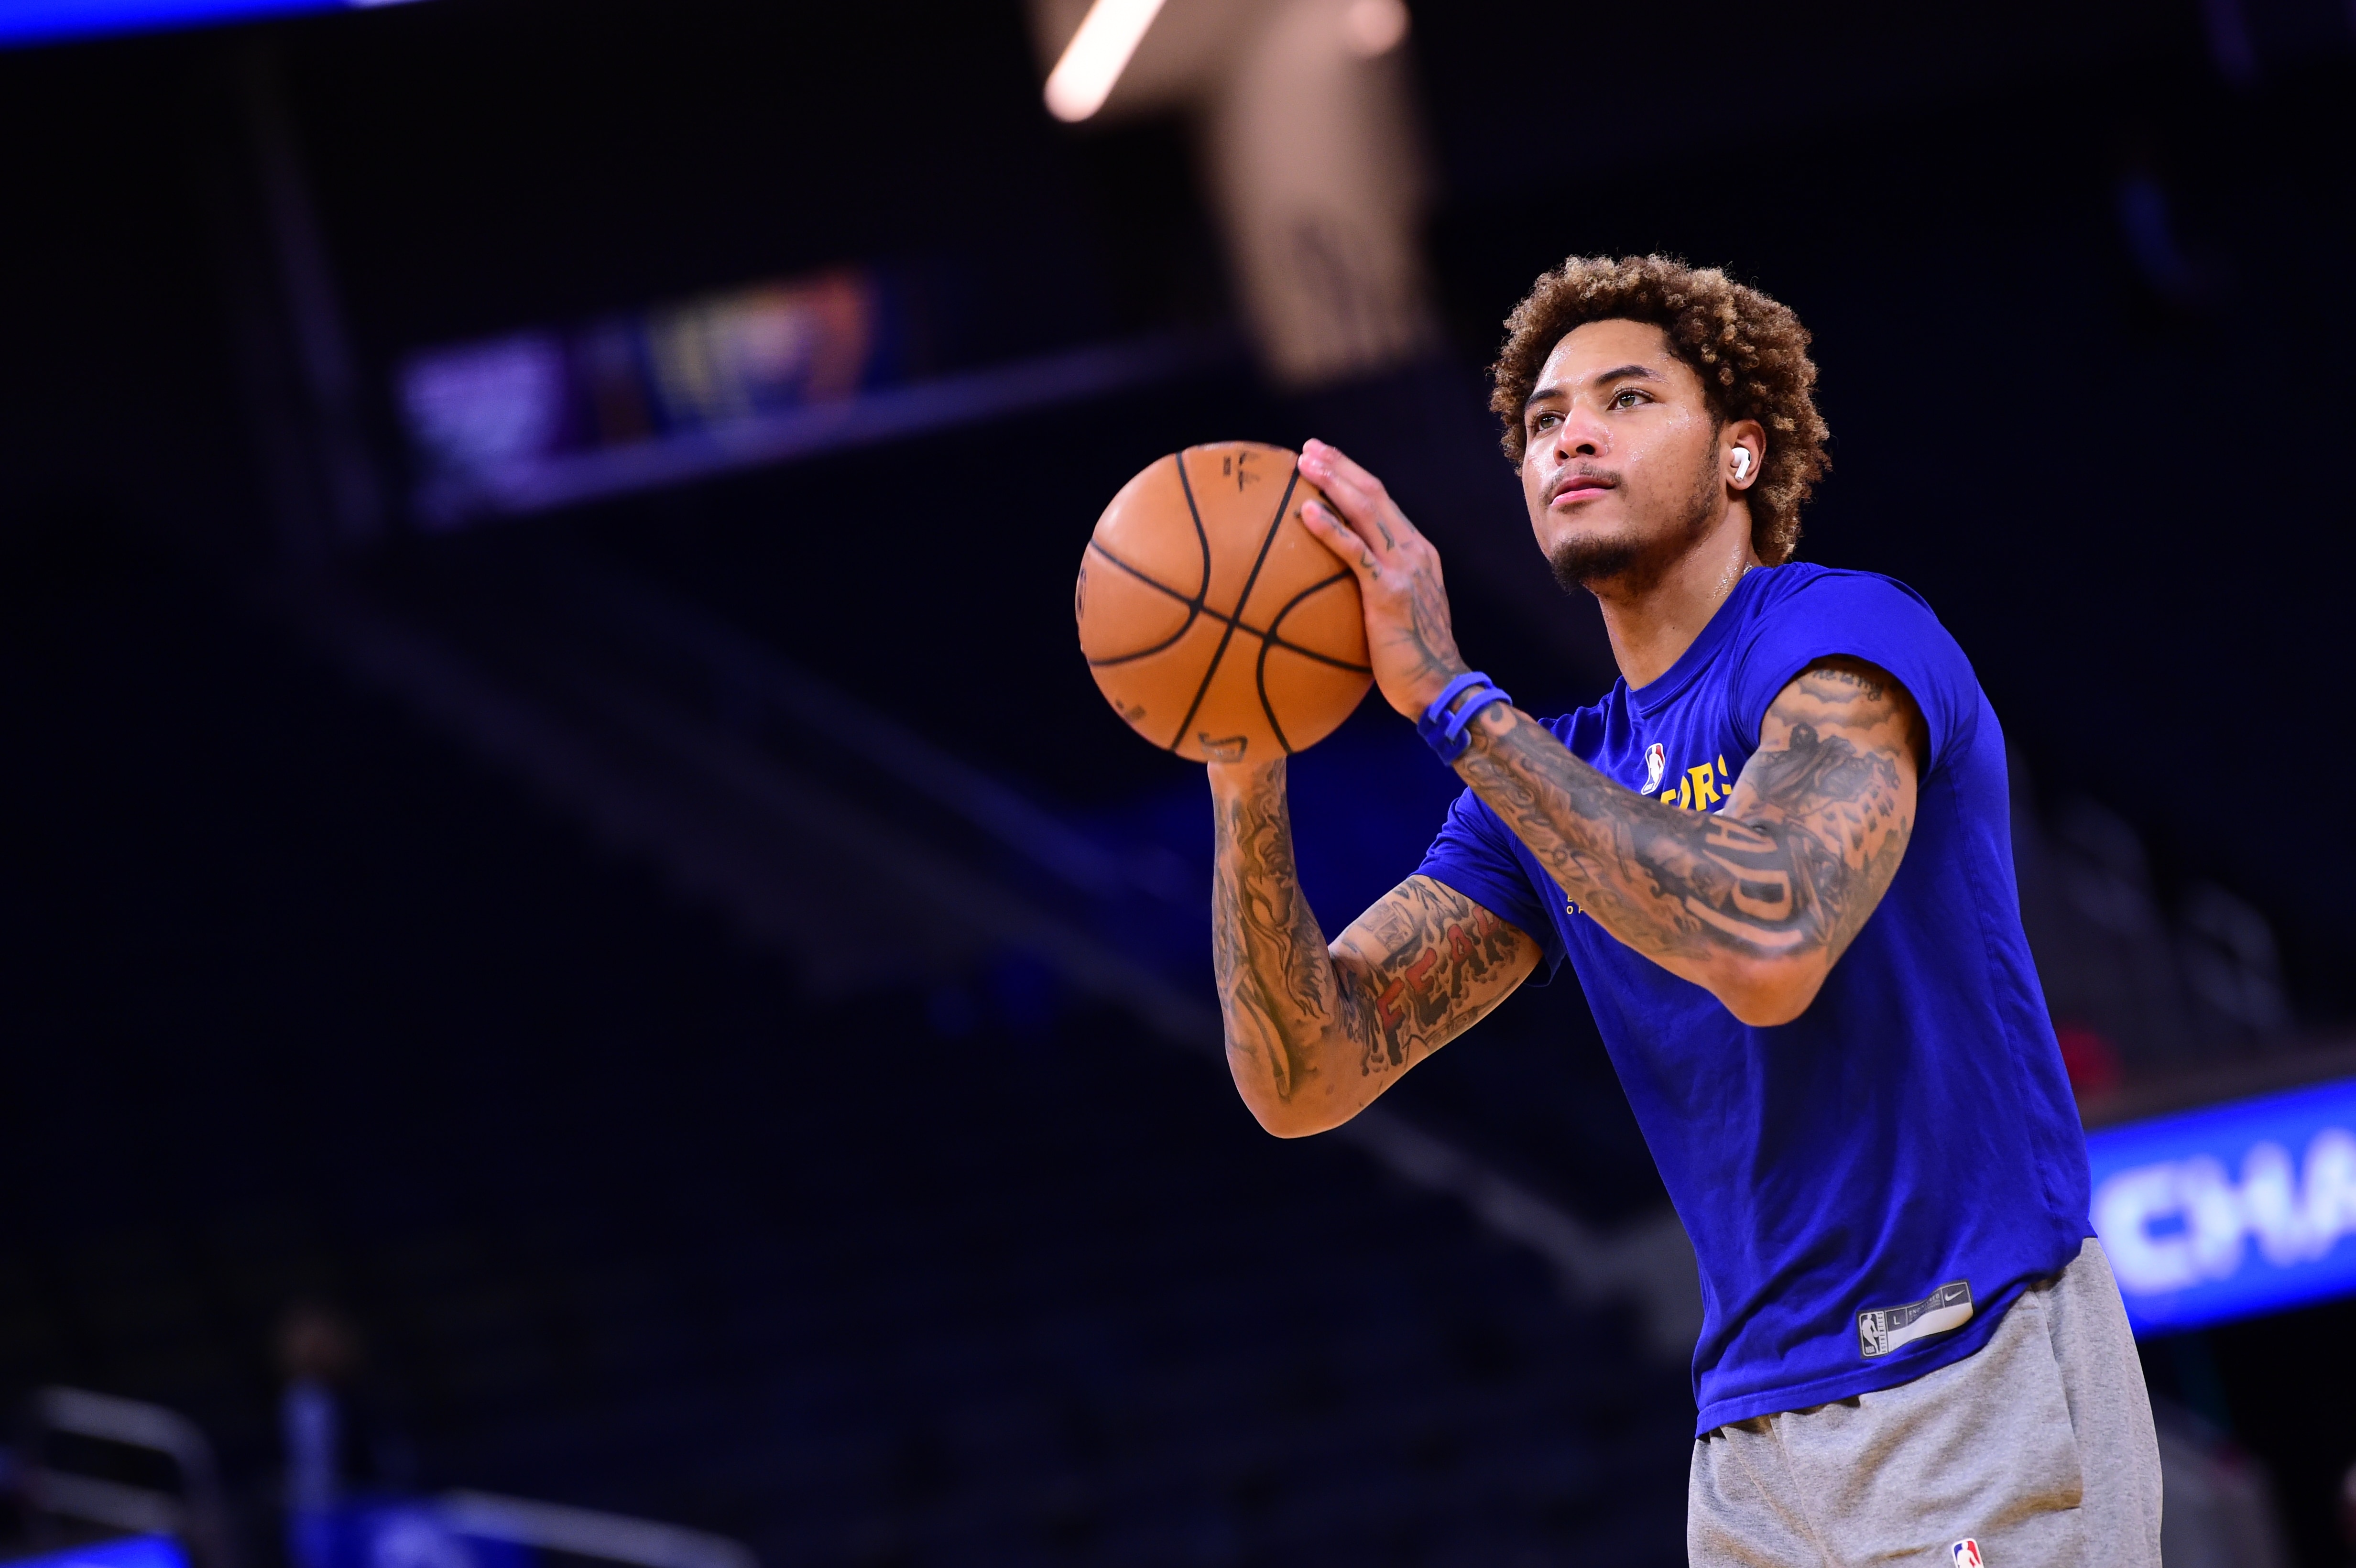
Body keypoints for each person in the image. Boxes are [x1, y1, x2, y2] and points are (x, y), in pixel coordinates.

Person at [1208, 254, 2161, 1564]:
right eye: (1543, 422)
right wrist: (1244, 764)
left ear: (1740, 456)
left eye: (1627, 399)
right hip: (1751, 1444)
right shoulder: (1549, 778)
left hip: (1964, 1361)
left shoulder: (1839, 639)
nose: (1571, 435)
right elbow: (1303, 1074)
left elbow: (1770, 943)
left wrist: (1446, 693)